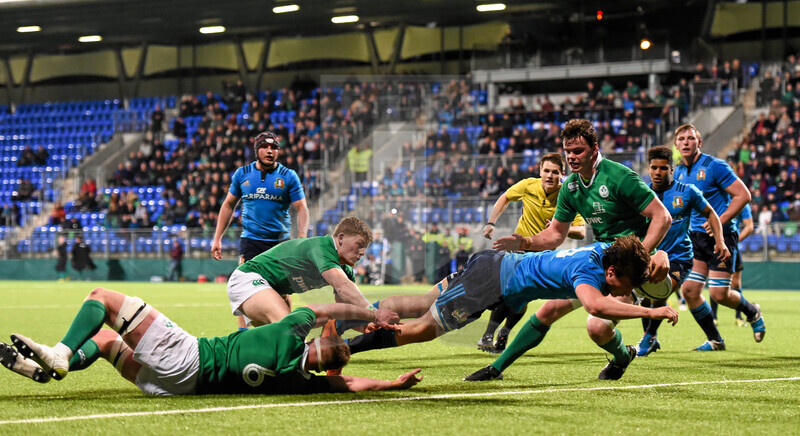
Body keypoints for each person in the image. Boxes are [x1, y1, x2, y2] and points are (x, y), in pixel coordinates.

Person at [479, 119, 672, 380]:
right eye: (568, 151)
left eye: (578, 151)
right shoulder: (570, 186)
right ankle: (495, 369)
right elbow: (555, 234)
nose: (571, 157)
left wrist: (638, 258)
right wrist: (526, 242)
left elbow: (662, 217)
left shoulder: (619, 176)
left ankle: (621, 356)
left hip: (625, 270)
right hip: (598, 261)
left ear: (595, 149)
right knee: (547, 311)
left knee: (597, 328)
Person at [345, 237, 678, 381]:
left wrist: (660, 255)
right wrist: (652, 312)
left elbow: (635, 250)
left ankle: (343, 318)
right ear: (611, 273)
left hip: (492, 265)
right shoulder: (588, 274)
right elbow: (595, 305)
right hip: (489, 283)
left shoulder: (609, 250)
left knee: (421, 303)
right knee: (420, 330)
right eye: (625, 286)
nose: (626, 294)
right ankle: (343, 348)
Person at [1, 287, 421, 395]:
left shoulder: (290, 331)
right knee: (109, 341)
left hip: (187, 357)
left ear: (317, 343)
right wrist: (391, 383)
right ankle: (42, 369)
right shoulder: (299, 380)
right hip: (177, 387)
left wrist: (371, 314)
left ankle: (59, 354)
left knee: (103, 300)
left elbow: (325, 311)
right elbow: (348, 382)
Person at [477, 152, 586, 354]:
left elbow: (581, 231)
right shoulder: (528, 185)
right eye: (546, 171)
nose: (550, 176)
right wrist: (491, 222)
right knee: (508, 291)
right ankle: (489, 334)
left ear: (562, 174)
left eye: (555, 172)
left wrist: (561, 227)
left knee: (522, 297)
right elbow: (505, 197)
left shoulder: (569, 196)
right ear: (540, 171)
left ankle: (503, 332)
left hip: (541, 256)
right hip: (518, 249)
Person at [673, 124, 764, 350]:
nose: (686, 142)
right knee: (689, 291)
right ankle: (715, 340)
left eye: (691, 138)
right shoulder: (678, 172)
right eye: (681, 139)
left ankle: (752, 311)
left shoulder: (715, 166)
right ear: (676, 145)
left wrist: (719, 222)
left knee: (719, 294)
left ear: (699, 142)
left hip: (721, 237)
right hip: (695, 238)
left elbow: (743, 195)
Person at [635, 146, 730, 357]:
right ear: (649, 168)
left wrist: (720, 240)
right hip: (650, 255)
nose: (658, 172)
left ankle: (649, 337)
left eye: (663, 168)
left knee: (660, 289)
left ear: (672, 169)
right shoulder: (642, 194)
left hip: (679, 256)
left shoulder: (687, 191)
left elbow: (711, 213)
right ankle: (714, 339)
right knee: (646, 297)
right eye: (653, 168)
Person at [212, 131, 310, 329]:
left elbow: (302, 208)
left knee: (283, 291)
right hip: (251, 241)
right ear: (257, 150)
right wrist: (217, 238)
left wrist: (301, 237)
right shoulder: (242, 174)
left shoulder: (288, 176)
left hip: (280, 243)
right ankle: (242, 334)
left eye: (274, 147)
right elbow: (228, 205)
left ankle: (287, 333)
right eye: (265, 147)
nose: (269, 151)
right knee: (243, 288)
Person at [227, 217, 398, 329]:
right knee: (290, 331)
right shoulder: (323, 247)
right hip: (249, 279)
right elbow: (342, 285)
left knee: (281, 341)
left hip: (273, 291)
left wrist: (363, 326)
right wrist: (373, 312)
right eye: (359, 245)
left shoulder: (345, 269)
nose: (362, 252)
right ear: (341, 238)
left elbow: (343, 307)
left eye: (365, 248)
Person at [710, 203, 753, 326]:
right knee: (714, 281)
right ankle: (713, 317)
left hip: (730, 244)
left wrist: (734, 242)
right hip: (712, 244)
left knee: (736, 283)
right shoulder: (714, 200)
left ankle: (739, 317)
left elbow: (749, 226)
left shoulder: (741, 204)